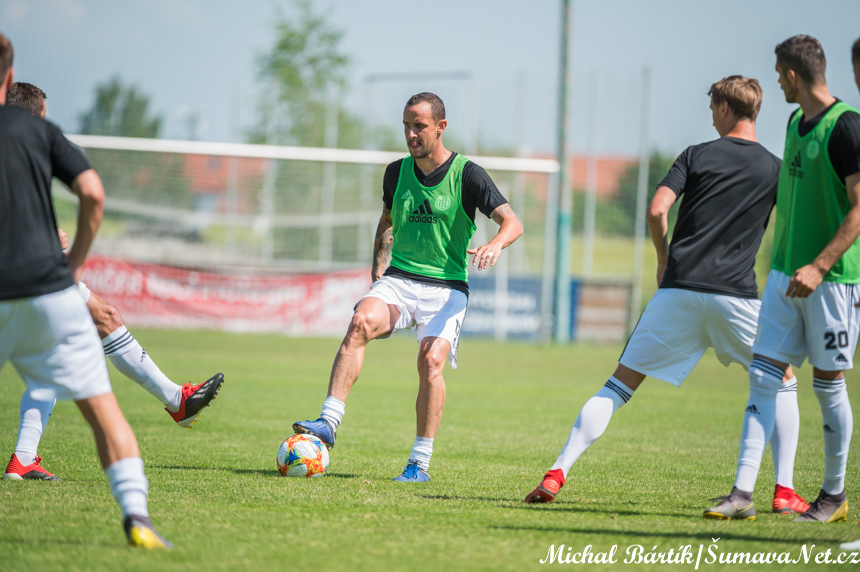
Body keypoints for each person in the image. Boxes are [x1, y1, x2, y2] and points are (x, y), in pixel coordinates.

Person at [524, 75, 810, 515]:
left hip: (677, 290)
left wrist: (663, 257)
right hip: (736, 297)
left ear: (725, 108)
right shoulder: (775, 167)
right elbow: (794, 226)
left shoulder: (695, 155)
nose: (711, 117)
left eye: (713, 108)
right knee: (783, 380)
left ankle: (556, 473)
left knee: (618, 385)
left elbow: (657, 209)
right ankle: (784, 491)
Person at [291, 92, 523, 482]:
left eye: (419, 126)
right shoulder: (396, 173)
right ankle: (328, 422)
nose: (411, 134)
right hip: (399, 280)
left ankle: (419, 463)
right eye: (406, 126)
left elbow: (512, 222)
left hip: (447, 288)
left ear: (441, 127)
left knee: (430, 363)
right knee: (360, 323)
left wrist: (495, 244)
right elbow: (387, 219)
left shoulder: (468, 174)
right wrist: (379, 263)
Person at [3, 82, 225, 482]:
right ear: (32, 118)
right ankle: (170, 414)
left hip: (28, 269)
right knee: (93, 331)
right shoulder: (28, 141)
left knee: (84, 330)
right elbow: (91, 192)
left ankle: (23, 458)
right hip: (22, 274)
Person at [0, 33, 170, 547]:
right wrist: (73, 260)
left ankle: (24, 458)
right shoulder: (38, 130)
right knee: (102, 410)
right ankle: (137, 515)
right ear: (10, 77)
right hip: (48, 291)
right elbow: (93, 193)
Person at [705, 35, 860, 523]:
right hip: (782, 279)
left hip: (831, 282)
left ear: (793, 74)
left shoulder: (846, 127)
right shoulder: (794, 122)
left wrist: (819, 265)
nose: (777, 82)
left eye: (778, 74)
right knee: (762, 375)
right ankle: (741, 494)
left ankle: (833, 496)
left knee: (827, 386)